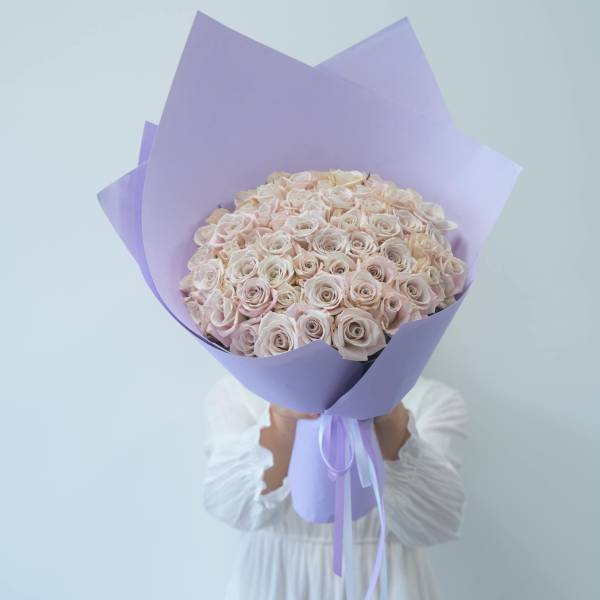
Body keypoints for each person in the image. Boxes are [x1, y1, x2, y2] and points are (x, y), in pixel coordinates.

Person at [202, 374, 468, 599]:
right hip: (272, 582)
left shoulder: (433, 401)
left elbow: (436, 525)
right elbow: (229, 507)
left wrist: (390, 417)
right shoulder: (240, 392)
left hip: (387, 583)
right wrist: (282, 421)